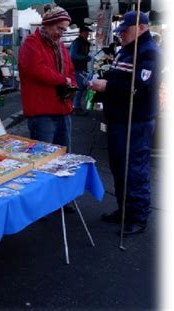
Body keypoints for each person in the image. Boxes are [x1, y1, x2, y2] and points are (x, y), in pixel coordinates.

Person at [89, 11, 161, 235]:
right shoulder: (127, 50)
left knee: (134, 170)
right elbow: (119, 76)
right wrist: (104, 81)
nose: (121, 35)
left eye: (125, 30)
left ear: (141, 28)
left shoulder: (149, 52)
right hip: (119, 120)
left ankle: (138, 217)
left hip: (135, 122)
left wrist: (106, 86)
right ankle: (123, 211)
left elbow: (139, 89)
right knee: (119, 168)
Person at [18, 5, 75, 151]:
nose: (61, 33)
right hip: (42, 112)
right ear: (48, 24)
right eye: (59, 28)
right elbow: (37, 70)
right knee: (43, 159)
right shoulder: (31, 43)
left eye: (64, 29)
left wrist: (71, 83)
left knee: (64, 157)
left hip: (62, 109)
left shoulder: (60, 46)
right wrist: (64, 80)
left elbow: (70, 70)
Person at [69, 25, 93, 116]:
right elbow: (72, 55)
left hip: (81, 67)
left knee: (80, 87)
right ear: (81, 32)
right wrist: (85, 58)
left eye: (88, 32)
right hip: (76, 67)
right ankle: (76, 107)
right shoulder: (77, 42)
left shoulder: (84, 42)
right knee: (79, 88)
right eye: (86, 32)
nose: (87, 34)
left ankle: (74, 106)